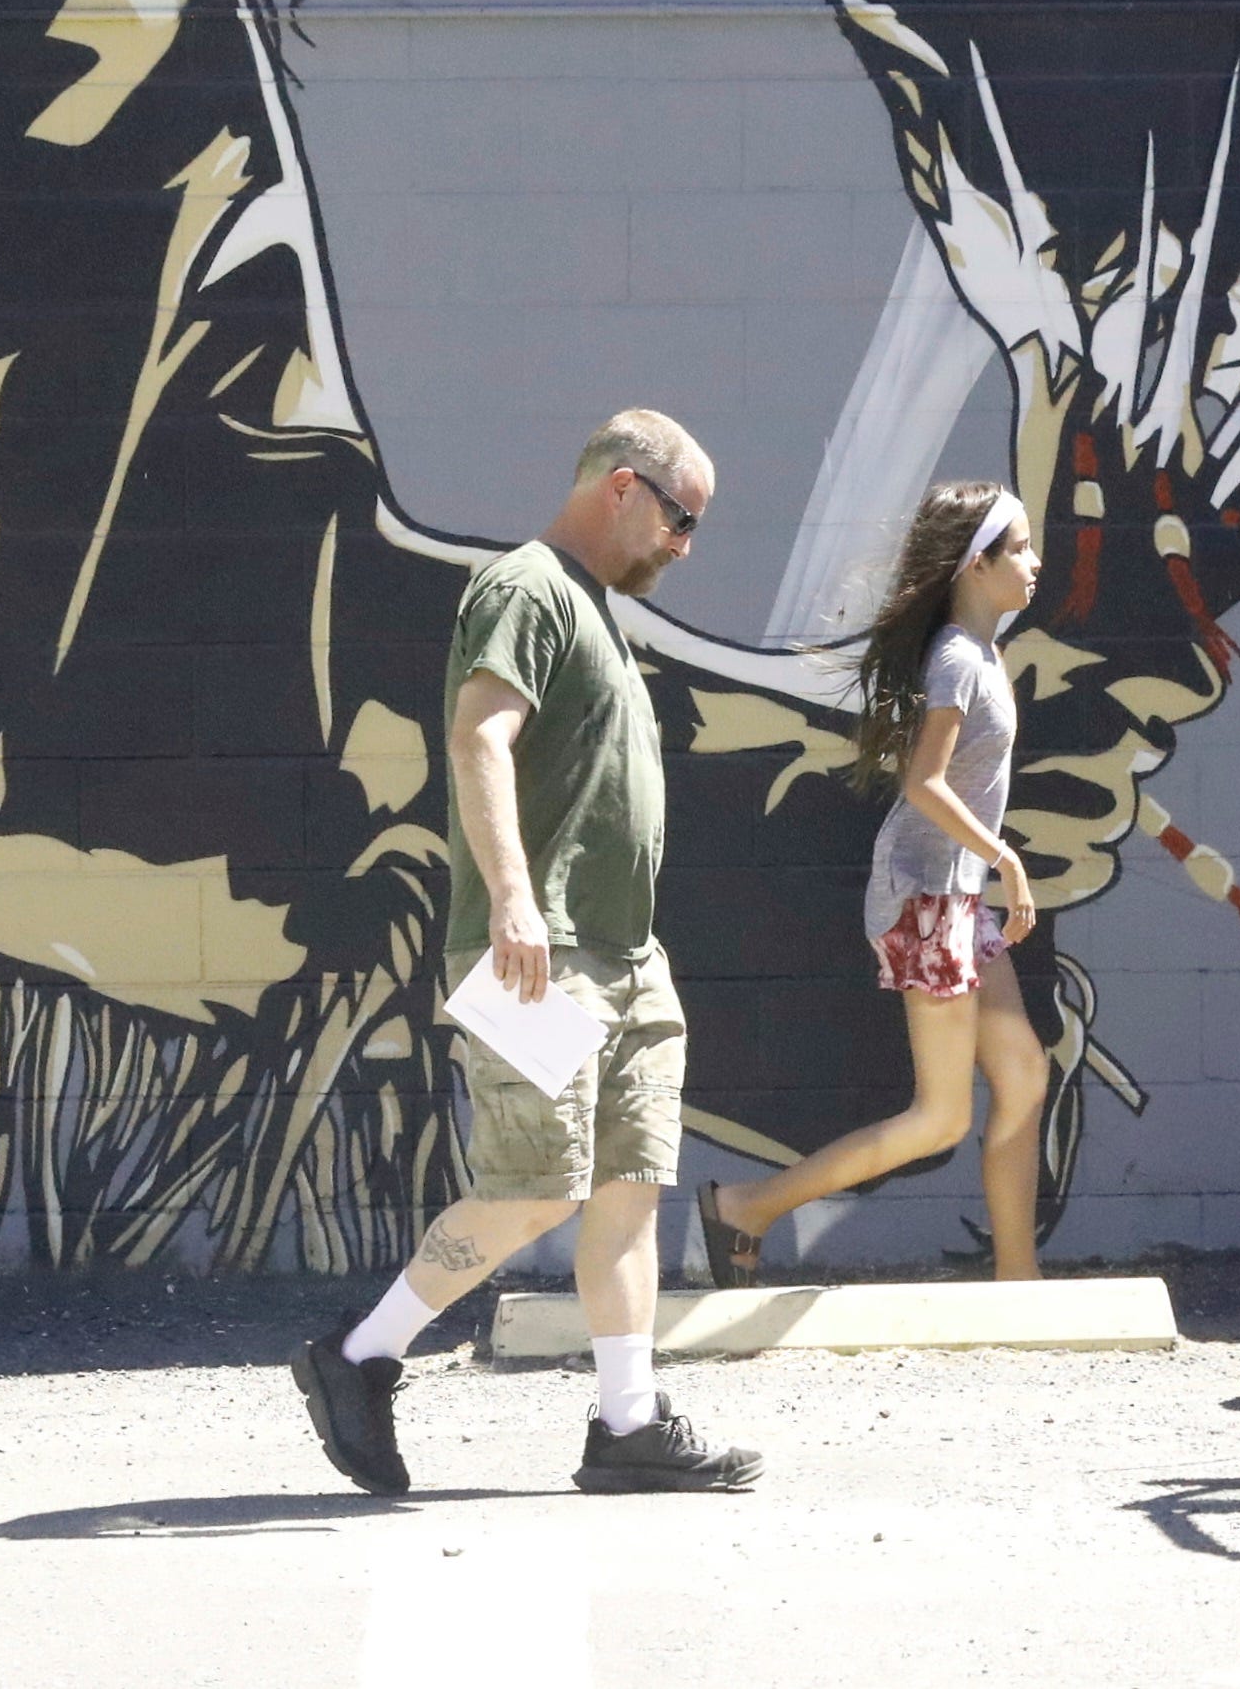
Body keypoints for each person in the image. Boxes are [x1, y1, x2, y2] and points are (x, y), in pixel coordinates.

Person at [293, 410, 764, 1496]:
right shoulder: (527, 587)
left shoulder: (593, 608)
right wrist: (511, 899)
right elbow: (478, 735)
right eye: (681, 517)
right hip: (534, 952)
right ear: (622, 487)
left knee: (628, 1186)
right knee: (535, 1188)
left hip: (625, 957)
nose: (684, 545)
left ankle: (627, 1424)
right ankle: (357, 1355)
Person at [693, 481, 1052, 1287]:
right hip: (926, 897)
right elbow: (923, 781)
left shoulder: (981, 652)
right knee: (941, 1117)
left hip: (952, 895)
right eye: (1019, 547)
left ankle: (1018, 1282)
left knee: (1024, 1071)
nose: (1036, 562)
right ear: (975, 562)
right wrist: (1007, 858)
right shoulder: (958, 659)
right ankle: (746, 1206)